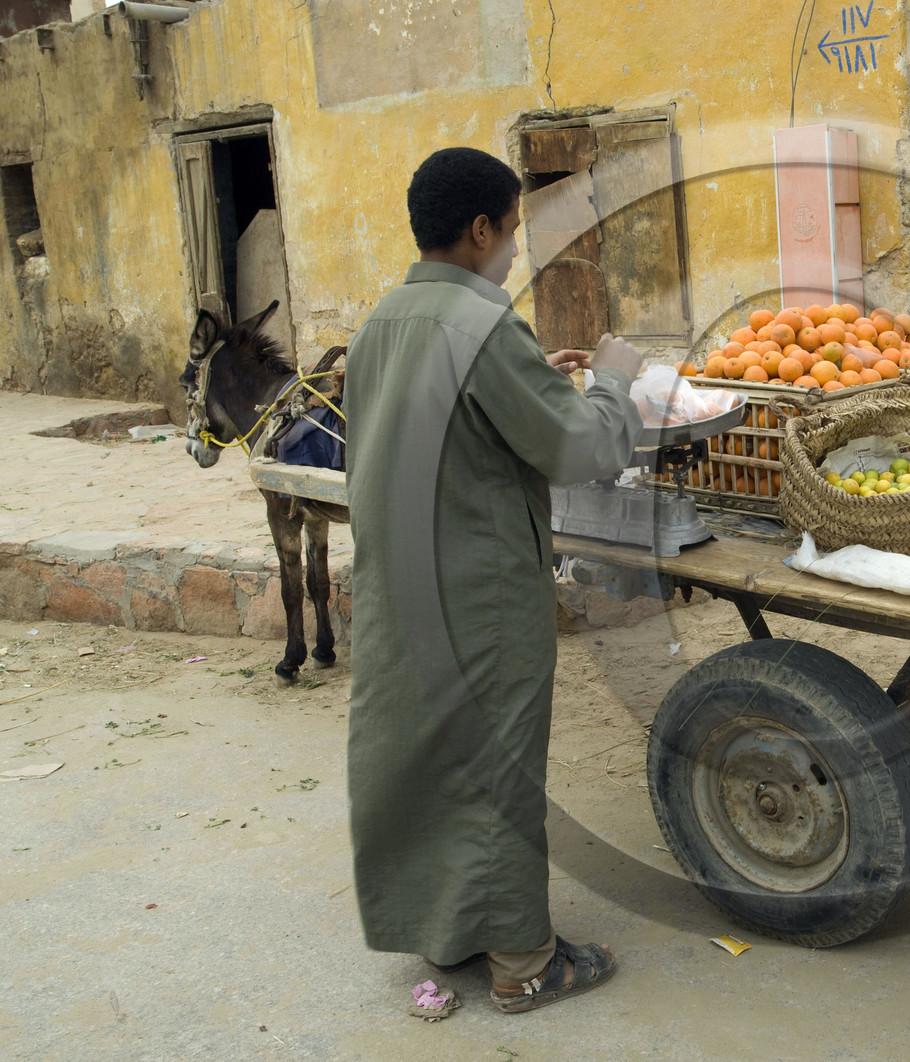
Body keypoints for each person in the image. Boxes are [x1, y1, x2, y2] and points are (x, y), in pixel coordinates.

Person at [343, 146, 644, 1012]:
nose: (514, 250)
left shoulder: (382, 322)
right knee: (496, 766)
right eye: (512, 231)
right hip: (480, 596)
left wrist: (533, 382)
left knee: (422, 760)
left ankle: (449, 928)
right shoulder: (482, 323)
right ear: (480, 230)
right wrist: (613, 383)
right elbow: (579, 448)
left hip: (400, 587)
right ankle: (523, 962)